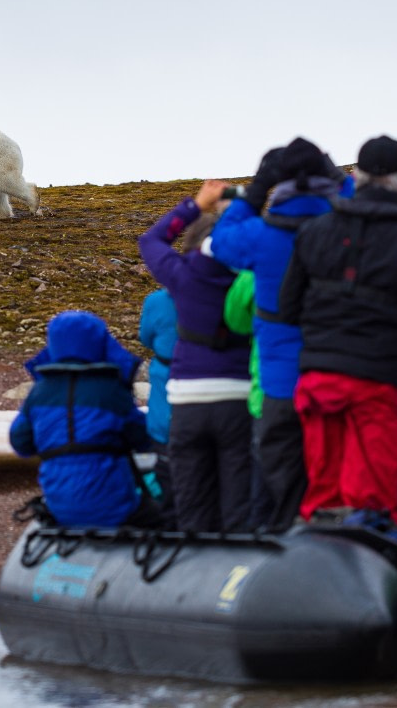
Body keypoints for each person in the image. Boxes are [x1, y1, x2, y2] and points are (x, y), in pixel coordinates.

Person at [279, 134, 397, 521]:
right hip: (376, 389)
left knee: (321, 499)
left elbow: (287, 309)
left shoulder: (315, 231)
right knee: (371, 504)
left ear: (354, 176)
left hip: (318, 384)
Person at [206, 137, 351, 529]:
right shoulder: (349, 227)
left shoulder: (260, 235)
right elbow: (371, 203)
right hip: (336, 380)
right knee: (336, 488)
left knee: (276, 491)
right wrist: (335, 173)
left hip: (279, 387)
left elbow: (220, 241)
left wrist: (256, 189)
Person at [138, 180, 253, 532]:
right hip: (239, 398)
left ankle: (190, 569)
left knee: (191, 503)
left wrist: (197, 204)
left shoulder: (183, 277)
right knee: (238, 501)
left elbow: (151, 241)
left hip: (187, 402)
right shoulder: (254, 278)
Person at [8, 310, 161, 528]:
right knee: (164, 513)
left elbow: (20, 443)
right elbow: (142, 438)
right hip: (114, 506)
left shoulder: (39, 392)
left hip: (58, 506)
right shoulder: (111, 391)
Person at [224, 269, 275, 528]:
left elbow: (236, 322)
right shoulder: (323, 257)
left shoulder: (255, 269)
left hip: (266, 392)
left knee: (263, 483)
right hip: (317, 388)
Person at [138, 286, 179, 528]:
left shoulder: (159, 300)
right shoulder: (233, 287)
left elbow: (145, 336)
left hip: (165, 420)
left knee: (167, 472)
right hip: (226, 397)